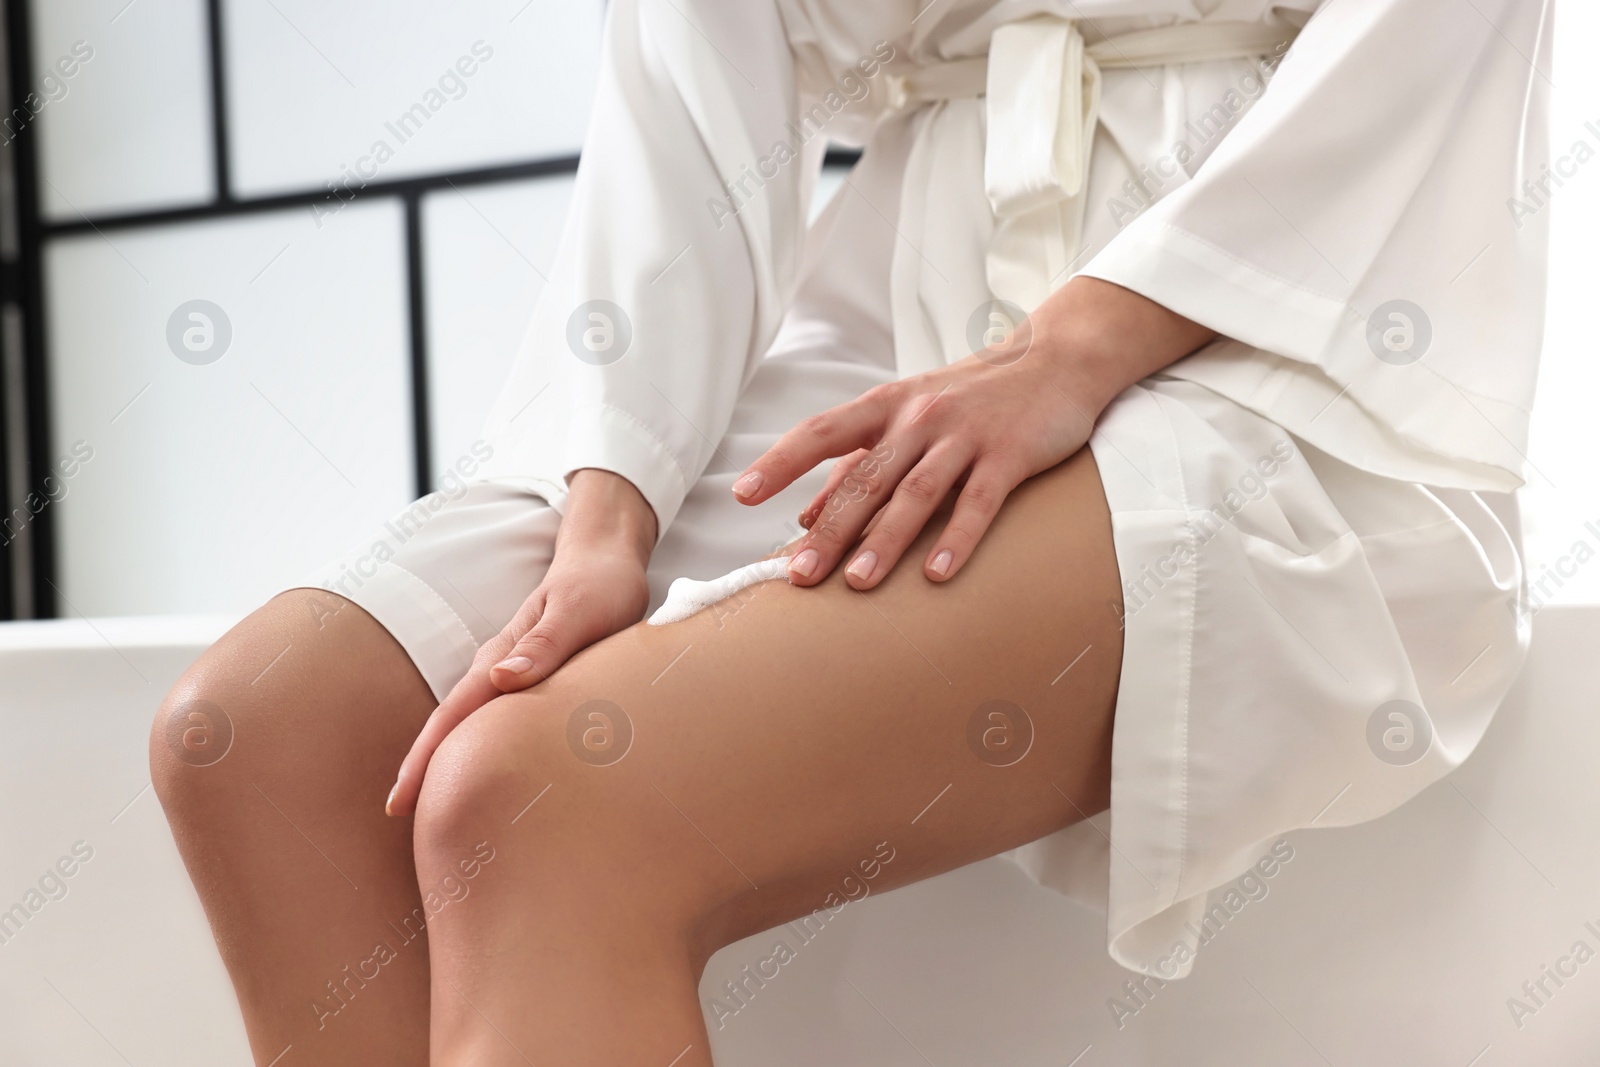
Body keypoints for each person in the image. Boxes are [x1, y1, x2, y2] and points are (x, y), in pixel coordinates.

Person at [149, 0, 1551, 1062]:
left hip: (1283, 318)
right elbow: (687, 77)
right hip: (907, 287)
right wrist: (606, 507)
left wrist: (1078, 346)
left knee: (535, 795)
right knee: (259, 740)